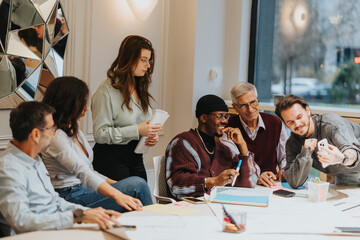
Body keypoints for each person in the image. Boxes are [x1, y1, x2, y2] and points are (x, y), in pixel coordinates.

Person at [0, 101, 121, 236]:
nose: (54, 133)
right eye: (51, 129)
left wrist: (85, 213)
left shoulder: (35, 158)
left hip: (56, 228)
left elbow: (55, 202)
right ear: (35, 134)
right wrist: (77, 218)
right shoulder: (8, 169)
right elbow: (21, 221)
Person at [41, 77, 153, 213]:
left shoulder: (76, 132)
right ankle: (155, 226)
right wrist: (118, 194)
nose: (87, 108)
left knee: (134, 184)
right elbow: (83, 173)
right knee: (138, 185)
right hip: (69, 196)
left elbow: (91, 172)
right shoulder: (56, 137)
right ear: (68, 104)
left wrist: (117, 186)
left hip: (84, 190)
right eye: (82, 103)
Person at [91, 35, 161, 182]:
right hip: (110, 159)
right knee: (126, 203)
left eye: (149, 60)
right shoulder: (106, 91)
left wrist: (149, 136)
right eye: (143, 60)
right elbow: (100, 134)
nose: (148, 65)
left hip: (136, 158)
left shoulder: (140, 88)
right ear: (128, 58)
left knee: (142, 203)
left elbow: (143, 125)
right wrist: (137, 130)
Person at [165, 94, 260, 200]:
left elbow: (251, 182)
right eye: (220, 116)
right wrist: (213, 181)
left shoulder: (223, 149)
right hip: (188, 209)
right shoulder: (182, 144)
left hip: (216, 206)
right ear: (204, 117)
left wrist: (242, 146)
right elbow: (176, 185)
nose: (225, 121)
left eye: (226, 116)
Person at [275, 95, 360, 188]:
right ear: (285, 124)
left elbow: (352, 152)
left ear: (307, 111)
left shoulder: (330, 124)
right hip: (346, 174)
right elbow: (294, 182)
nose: (297, 124)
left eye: (299, 117)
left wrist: (342, 158)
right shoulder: (293, 143)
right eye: (291, 122)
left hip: (353, 169)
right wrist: (305, 153)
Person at [223, 82, 288, 187]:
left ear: (257, 101)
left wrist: (284, 169)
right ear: (235, 107)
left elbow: (285, 156)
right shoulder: (228, 128)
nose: (250, 109)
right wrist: (256, 176)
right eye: (244, 105)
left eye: (253, 102)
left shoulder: (275, 122)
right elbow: (233, 163)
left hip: (271, 184)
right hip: (242, 185)